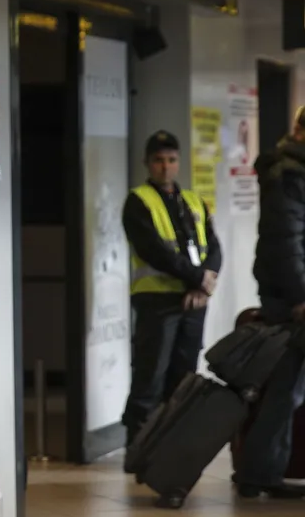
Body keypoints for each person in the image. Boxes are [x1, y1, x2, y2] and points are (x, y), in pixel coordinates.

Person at [121, 131, 222, 455]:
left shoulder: (193, 200)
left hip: (193, 302)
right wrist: (197, 279)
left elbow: (213, 247)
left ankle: (173, 449)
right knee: (150, 377)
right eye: (158, 161)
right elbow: (154, 251)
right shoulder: (138, 201)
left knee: (184, 380)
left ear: (179, 162)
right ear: (147, 164)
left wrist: (202, 284)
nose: (165, 167)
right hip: (157, 301)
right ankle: (139, 449)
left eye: (171, 160)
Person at [234, 108, 305, 499]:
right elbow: (286, 241)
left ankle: (260, 472)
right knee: (286, 389)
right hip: (291, 296)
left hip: (290, 291)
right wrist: (300, 296)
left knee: (287, 388)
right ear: (298, 130)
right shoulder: (288, 174)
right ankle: (258, 472)